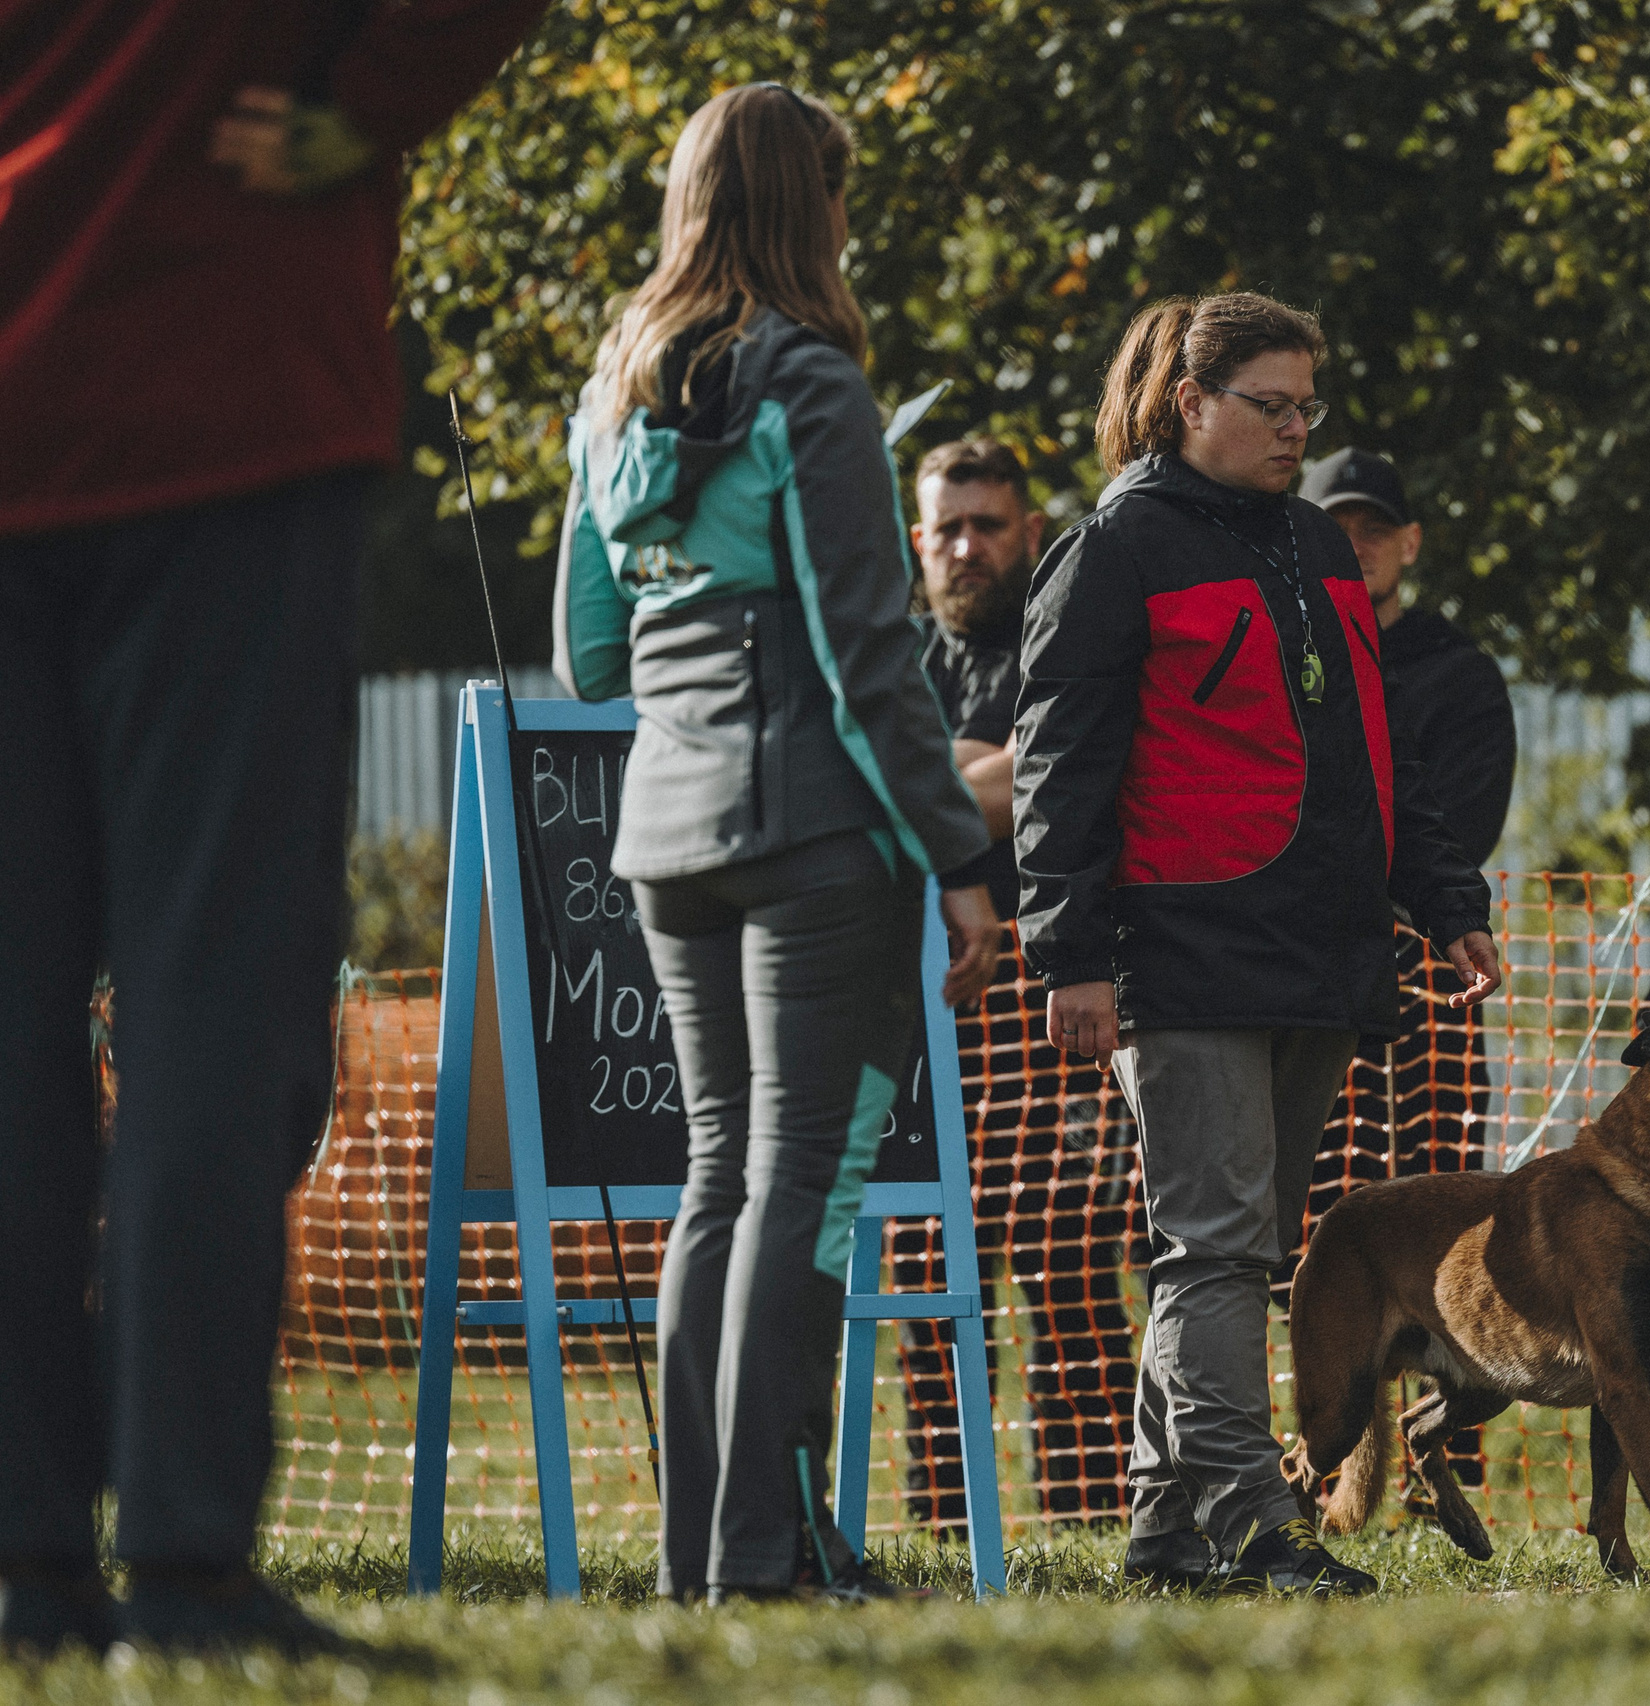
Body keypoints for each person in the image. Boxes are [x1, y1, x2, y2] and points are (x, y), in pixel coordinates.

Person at [0, 0, 545, 1655]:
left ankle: (24, 1554)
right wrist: (374, 102)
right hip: (226, 397)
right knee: (209, 1008)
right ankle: (183, 1547)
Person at [551, 84, 1004, 1604]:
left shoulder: (614, 393)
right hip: (817, 830)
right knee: (801, 1178)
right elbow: (870, 651)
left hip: (666, 835)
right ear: (812, 207)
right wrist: (960, 852)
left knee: (718, 1174)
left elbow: (586, 658)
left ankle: (707, 1558)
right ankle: (763, 1557)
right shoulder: (810, 381)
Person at [1014, 291, 1503, 1594]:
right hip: (1184, 958)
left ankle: (1168, 1530)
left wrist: (1449, 899)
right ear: (1191, 404)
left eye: (1307, 407)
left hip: (1321, 954)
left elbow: (1376, 750)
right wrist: (1068, 953)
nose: (1297, 431)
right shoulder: (1114, 548)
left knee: (1238, 1245)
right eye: (1270, 405)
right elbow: (1060, 766)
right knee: (1218, 1242)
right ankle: (1249, 1521)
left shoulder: (1316, 547)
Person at [889, 437, 1138, 1528]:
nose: (966, 545)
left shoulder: (1056, 640)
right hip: (916, 1019)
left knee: (1070, 1267)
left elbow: (1021, 778)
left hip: (1048, 1011)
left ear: (1029, 532)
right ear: (916, 541)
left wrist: (919, 787)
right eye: (946, 525)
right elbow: (937, 785)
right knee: (926, 1280)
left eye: (988, 523)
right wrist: (952, 790)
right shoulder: (889, 653)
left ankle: (1090, 1513)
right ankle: (947, 1519)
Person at [1293, 446, 1517, 1502]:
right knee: (1312, 1236)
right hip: (1306, 983)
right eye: (1334, 523)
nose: (1355, 543)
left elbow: (1453, 831)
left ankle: (1443, 1470)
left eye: (1373, 527)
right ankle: (1322, 1467)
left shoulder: (1459, 673)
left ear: (1408, 543)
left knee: (1443, 1232)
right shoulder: (1292, 652)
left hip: (1430, 991)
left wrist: (1357, 875)